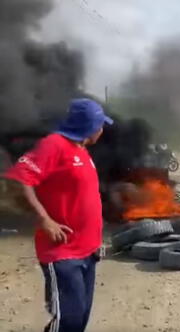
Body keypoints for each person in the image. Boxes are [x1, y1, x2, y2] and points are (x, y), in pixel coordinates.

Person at [3, 98, 112, 332]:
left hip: (87, 251)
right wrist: (45, 219)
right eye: (100, 124)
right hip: (63, 252)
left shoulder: (81, 150)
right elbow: (20, 179)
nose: (102, 129)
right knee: (68, 319)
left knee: (79, 317)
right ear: (90, 126)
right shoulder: (53, 145)